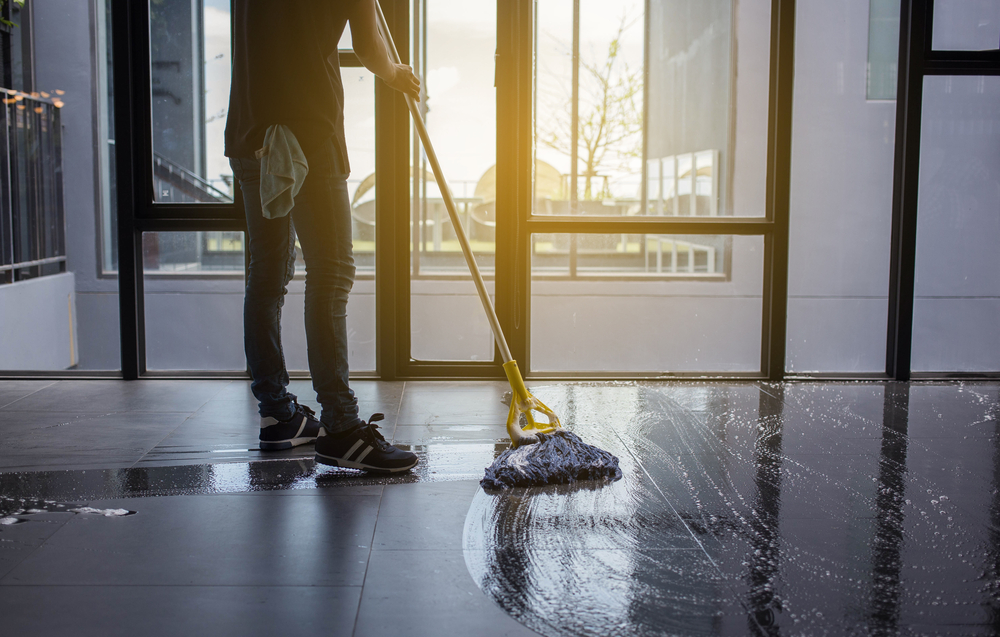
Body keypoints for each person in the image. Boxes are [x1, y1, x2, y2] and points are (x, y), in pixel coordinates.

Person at [224, 0, 420, 472]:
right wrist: (397, 74)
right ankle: (343, 428)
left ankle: (278, 415)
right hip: (309, 136)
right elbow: (371, 49)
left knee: (267, 274)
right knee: (330, 273)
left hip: (251, 134)